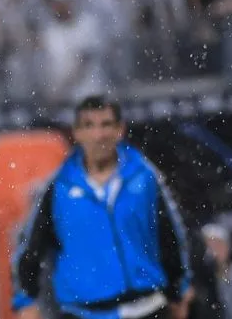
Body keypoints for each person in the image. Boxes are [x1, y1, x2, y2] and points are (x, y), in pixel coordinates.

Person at [11, 95, 194, 319]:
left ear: (120, 129)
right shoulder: (59, 188)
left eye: (106, 124)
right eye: (89, 125)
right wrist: (26, 299)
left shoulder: (145, 178)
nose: (98, 135)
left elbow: (170, 235)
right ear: (77, 132)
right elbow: (31, 246)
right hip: (82, 312)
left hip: (148, 307)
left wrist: (179, 289)